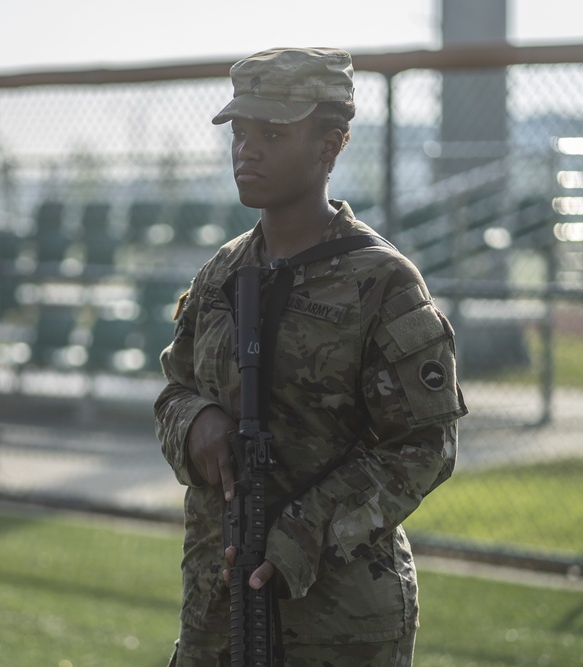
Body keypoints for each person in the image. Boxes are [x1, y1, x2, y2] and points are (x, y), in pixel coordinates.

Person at [154, 47, 468, 666]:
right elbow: (173, 392)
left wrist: (302, 529)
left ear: (331, 145)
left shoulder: (381, 282)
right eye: (241, 132)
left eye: (272, 133)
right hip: (218, 609)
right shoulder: (220, 275)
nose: (247, 149)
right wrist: (196, 423)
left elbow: (426, 446)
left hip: (336, 621)